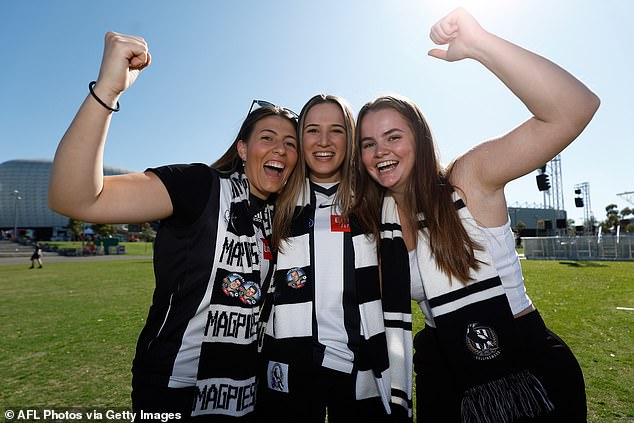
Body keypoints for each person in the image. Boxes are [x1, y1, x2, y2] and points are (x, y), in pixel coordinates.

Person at [353, 8, 599, 423]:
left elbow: (574, 109)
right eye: (369, 143)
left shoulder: (467, 181)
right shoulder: (379, 223)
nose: (381, 151)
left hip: (526, 367)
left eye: (394, 137)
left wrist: (480, 44)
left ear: (421, 139)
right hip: (443, 371)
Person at [48, 32, 299, 421]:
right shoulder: (198, 186)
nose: (281, 149)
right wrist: (108, 92)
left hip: (245, 391)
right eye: (268, 137)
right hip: (172, 387)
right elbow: (76, 199)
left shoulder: (279, 216)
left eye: (291, 143)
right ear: (243, 149)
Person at [257, 94, 410, 422]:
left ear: (350, 138)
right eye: (312, 130)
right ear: (300, 139)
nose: (324, 141)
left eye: (336, 131)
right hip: (288, 368)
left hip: (361, 370)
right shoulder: (275, 202)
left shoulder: (375, 203)